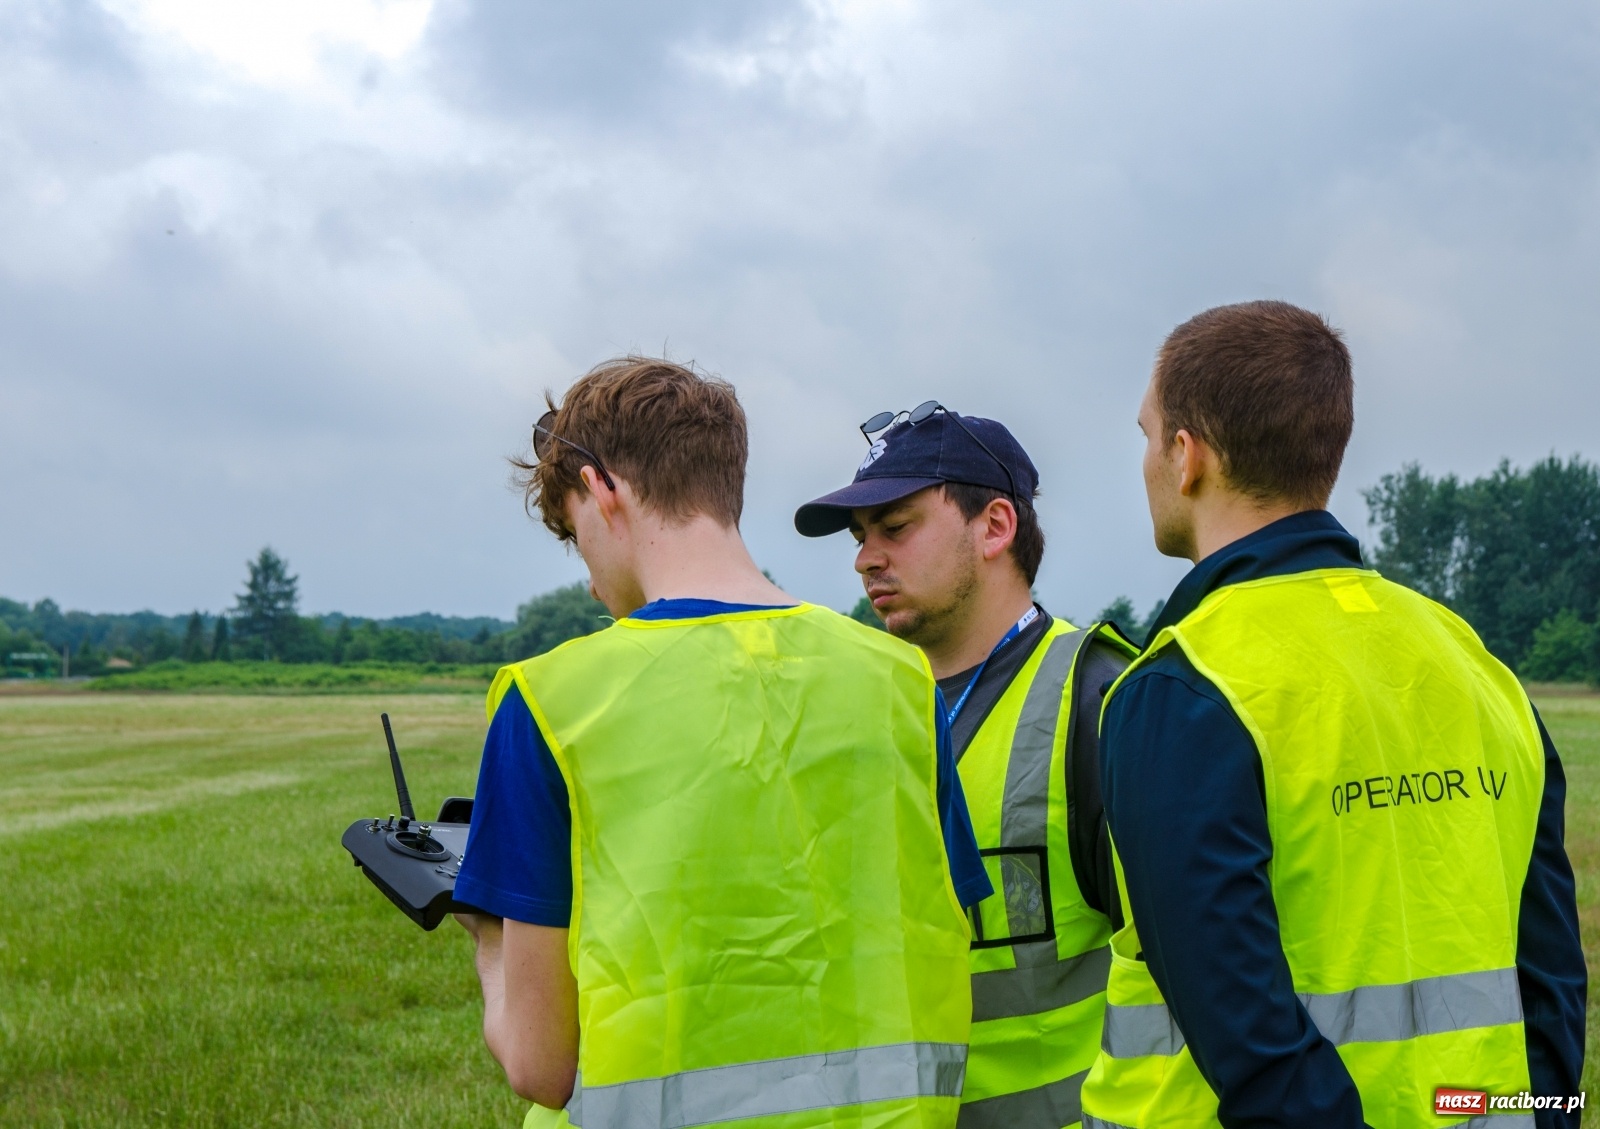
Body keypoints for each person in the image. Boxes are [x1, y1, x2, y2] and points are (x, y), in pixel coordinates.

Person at [1078, 301, 1587, 1129]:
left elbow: (1246, 1030)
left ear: (1186, 455)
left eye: (1146, 434)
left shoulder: (1182, 683)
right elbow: (1552, 977)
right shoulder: (1469, 657)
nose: (1145, 461)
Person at [452, 358, 992, 1129]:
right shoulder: (901, 680)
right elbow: (942, 934)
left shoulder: (551, 699)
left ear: (602, 489)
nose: (592, 579)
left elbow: (542, 1063)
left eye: (577, 535)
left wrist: (489, 942)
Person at [795, 402, 1137, 1129]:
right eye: (860, 537)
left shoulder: (1097, 699)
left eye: (896, 527)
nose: (864, 558)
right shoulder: (854, 707)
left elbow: (1177, 981)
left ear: (995, 527)